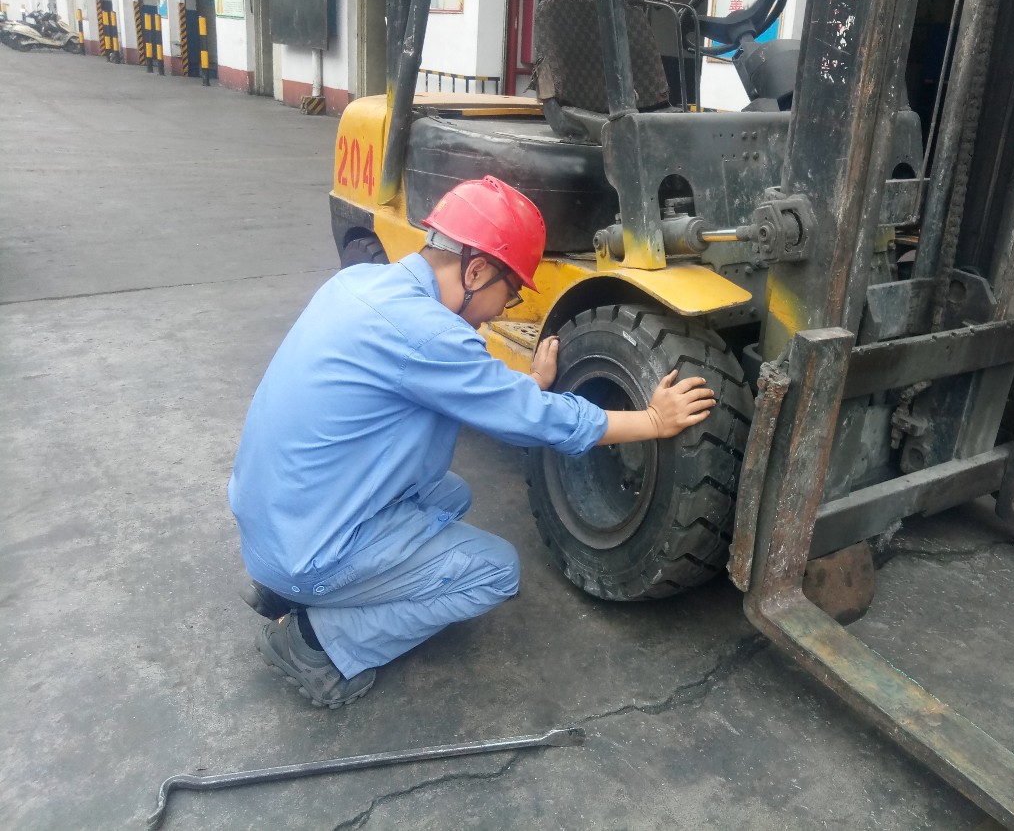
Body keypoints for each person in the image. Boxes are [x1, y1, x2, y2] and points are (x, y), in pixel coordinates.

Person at [228, 176, 716, 709]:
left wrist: (529, 386)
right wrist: (653, 420)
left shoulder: (359, 285)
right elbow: (537, 421)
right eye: (510, 293)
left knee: (450, 494)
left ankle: (286, 590)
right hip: (306, 552)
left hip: (271, 521)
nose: (504, 310)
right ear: (476, 270)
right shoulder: (429, 334)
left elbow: (470, 394)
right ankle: (314, 642)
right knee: (494, 572)